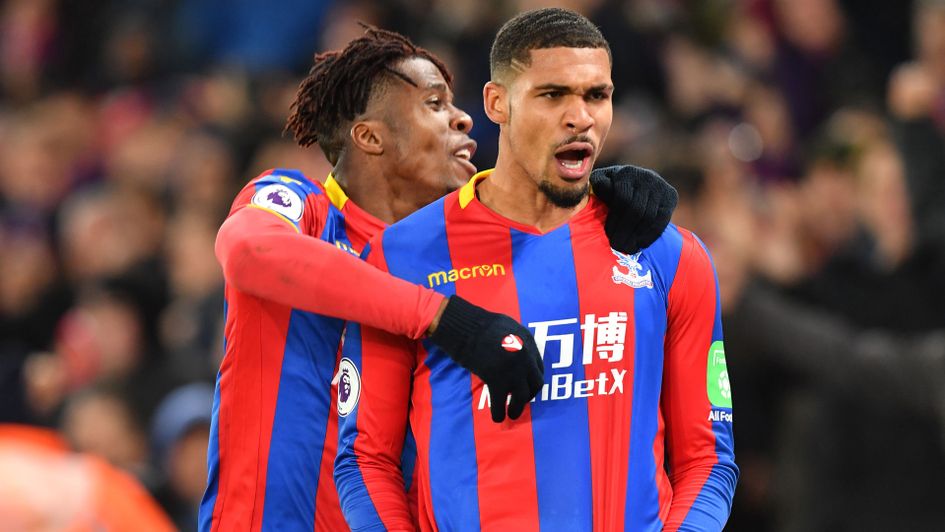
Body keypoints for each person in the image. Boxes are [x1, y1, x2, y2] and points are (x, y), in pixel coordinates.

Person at [201, 26, 678, 531]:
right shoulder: (306, 208)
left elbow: (522, 204)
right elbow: (248, 249)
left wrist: (599, 193)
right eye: (434, 103)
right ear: (369, 136)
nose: (464, 117)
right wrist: (444, 318)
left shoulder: (443, 257)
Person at [334, 9, 737, 531]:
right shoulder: (404, 257)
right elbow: (366, 459)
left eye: (597, 95)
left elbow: (708, 459)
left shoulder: (668, 254)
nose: (580, 117)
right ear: (497, 103)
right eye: (553, 95)